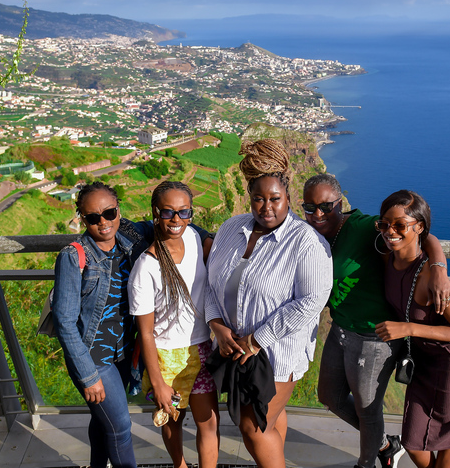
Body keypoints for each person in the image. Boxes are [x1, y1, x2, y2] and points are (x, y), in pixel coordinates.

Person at [302, 174, 450, 468]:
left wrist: (438, 268)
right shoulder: (313, 233)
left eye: (325, 206)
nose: (318, 214)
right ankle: (385, 444)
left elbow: (420, 232)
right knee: (329, 397)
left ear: (340, 203)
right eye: (310, 207)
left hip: (375, 337)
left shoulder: (361, 227)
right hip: (341, 328)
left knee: (368, 411)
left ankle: (368, 463)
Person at [205, 138, 333, 468]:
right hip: (234, 349)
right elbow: (211, 281)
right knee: (270, 420)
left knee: (253, 427)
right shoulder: (231, 228)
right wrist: (216, 324)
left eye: (275, 199)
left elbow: (312, 300)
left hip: (276, 354)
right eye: (258, 199)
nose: (266, 207)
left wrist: (257, 339)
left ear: (287, 196)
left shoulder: (305, 242)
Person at [374, 190, 450, 468]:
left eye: (400, 225)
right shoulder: (388, 257)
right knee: (413, 440)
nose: (390, 231)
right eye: (384, 223)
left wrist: (407, 327)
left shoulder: (428, 277)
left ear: (418, 227)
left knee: (448, 439)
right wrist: (439, 262)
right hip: (424, 358)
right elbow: (431, 239)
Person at [52, 181, 154, 468]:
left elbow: (168, 222)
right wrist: (88, 376)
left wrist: (207, 237)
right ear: (82, 219)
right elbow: (64, 322)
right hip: (93, 358)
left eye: (109, 213)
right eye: (93, 217)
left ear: (118, 210)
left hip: (122, 353)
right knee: (120, 428)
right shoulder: (73, 256)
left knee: (103, 422)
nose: (103, 222)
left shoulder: (129, 239)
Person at [128, 181, 219, 468]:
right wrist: (157, 382)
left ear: (191, 214)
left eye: (183, 211)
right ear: (156, 213)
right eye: (168, 212)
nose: (176, 219)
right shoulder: (146, 266)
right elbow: (145, 332)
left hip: (202, 349)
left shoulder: (195, 239)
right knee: (173, 424)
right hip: (166, 357)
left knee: (209, 424)